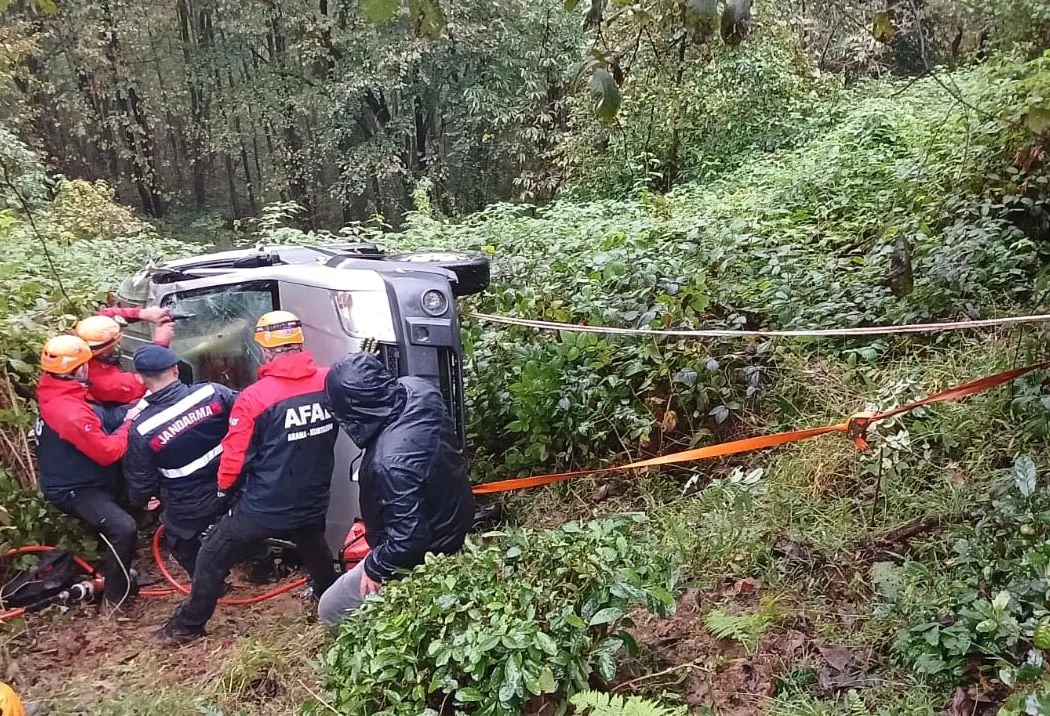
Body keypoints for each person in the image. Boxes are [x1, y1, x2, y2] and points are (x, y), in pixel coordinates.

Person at [154, 310, 338, 644]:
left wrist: (224, 491)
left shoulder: (255, 397)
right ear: (299, 343)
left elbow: (235, 459)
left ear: (266, 351)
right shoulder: (329, 383)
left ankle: (188, 625)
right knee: (313, 545)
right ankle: (329, 600)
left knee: (211, 553)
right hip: (313, 496)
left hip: (266, 504)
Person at [317, 352, 473, 629]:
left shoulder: (387, 464)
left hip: (430, 550)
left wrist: (376, 568)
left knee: (330, 608)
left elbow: (409, 539)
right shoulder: (419, 389)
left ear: (351, 412)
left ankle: (362, 654)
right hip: (453, 517)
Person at [34, 335, 142, 608]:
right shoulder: (70, 412)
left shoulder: (57, 390)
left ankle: (121, 569)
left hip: (80, 475)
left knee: (132, 504)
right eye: (87, 363)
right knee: (123, 528)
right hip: (76, 488)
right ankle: (116, 600)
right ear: (78, 369)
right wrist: (130, 422)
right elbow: (108, 453)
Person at [123, 345, 237, 577]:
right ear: (176, 370)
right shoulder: (213, 393)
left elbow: (141, 481)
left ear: (140, 379)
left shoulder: (142, 429)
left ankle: (211, 584)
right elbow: (248, 413)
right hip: (235, 485)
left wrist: (145, 500)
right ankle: (261, 566)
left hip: (190, 504)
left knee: (178, 540)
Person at [75, 306, 173, 407]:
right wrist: (161, 344)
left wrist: (142, 313)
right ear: (104, 352)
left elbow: (105, 315)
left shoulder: (77, 344)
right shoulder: (107, 383)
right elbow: (148, 381)